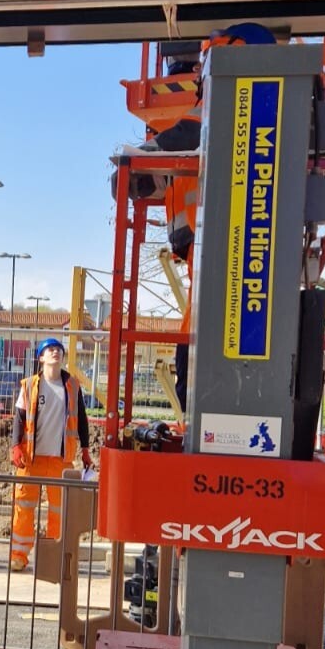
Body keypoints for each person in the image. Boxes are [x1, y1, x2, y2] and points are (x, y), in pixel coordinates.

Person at [122, 22, 277, 411]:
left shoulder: (230, 96)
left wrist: (140, 154)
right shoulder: (256, 103)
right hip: (214, 252)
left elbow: (184, 136)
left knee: (199, 343)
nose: (200, 69)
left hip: (219, 253)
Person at [8, 338, 92, 573]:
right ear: (41, 358)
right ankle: (19, 556)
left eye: (58, 350)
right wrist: (15, 446)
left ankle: (53, 556)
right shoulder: (29, 385)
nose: (55, 352)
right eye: (50, 350)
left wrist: (85, 449)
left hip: (60, 459)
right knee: (24, 508)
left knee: (58, 510)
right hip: (30, 458)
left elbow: (82, 419)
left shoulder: (72, 386)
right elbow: (19, 418)